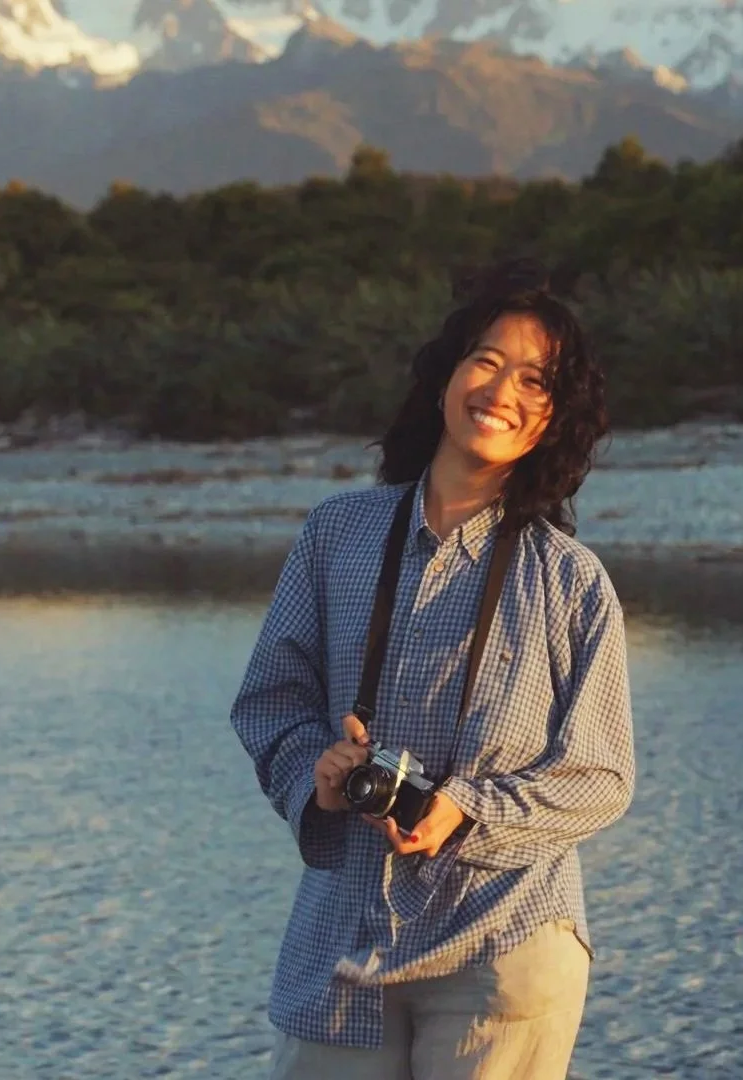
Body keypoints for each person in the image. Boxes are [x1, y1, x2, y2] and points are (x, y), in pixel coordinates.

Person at [230, 259, 636, 1080]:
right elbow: (271, 701)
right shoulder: (337, 534)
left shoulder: (570, 580)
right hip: (344, 932)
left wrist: (466, 811)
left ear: (554, 419)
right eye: (486, 361)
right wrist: (320, 776)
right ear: (447, 376)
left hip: (504, 937)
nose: (503, 390)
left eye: (536, 381)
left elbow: (601, 775)